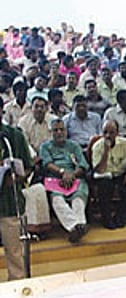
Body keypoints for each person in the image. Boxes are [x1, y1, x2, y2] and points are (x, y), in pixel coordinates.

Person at [0, 97, 34, 280]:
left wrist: (14, 178)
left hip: (8, 202)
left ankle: (17, 289)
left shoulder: (13, 136)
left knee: (14, 253)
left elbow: (28, 167)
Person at [39, 119, 89, 243]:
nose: (59, 132)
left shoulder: (74, 145)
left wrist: (71, 175)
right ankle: (76, 226)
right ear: (51, 132)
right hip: (56, 180)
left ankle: (77, 228)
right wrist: (62, 173)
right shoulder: (45, 146)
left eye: (62, 129)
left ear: (66, 131)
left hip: (75, 178)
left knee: (78, 200)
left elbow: (82, 164)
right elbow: (47, 164)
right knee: (58, 201)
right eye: (56, 130)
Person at [91, 119, 126, 229]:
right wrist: (106, 152)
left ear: (117, 133)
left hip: (121, 173)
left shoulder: (125, 143)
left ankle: (121, 217)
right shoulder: (97, 146)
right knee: (104, 187)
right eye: (105, 132)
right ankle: (107, 219)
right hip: (105, 175)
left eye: (111, 132)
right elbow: (99, 170)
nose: (108, 135)